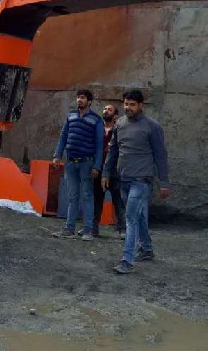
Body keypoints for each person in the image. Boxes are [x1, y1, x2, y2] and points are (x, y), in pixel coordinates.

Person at [104, 89, 170, 274]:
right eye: (126, 104)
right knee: (139, 216)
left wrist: (164, 182)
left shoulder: (152, 127)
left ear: (141, 106)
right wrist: (105, 173)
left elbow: (160, 155)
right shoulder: (120, 124)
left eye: (132, 104)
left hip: (141, 181)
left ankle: (127, 260)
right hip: (123, 179)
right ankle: (147, 249)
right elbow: (113, 151)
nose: (128, 107)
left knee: (130, 217)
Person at [51, 89, 104, 241]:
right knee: (73, 196)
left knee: (87, 195)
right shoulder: (71, 116)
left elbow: (99, 145)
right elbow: (63, 136)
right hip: (70, 162)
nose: (79, 100)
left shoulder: (96, 120)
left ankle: (88, 230)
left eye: (83, 98)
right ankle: (69, 229)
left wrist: (97, 166)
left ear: (89, 101)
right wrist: (57, 155)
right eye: (78, 98)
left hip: (86, 163)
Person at [92, 103, 126, 239]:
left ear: (115, 115)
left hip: (115, 170)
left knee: (118, 201)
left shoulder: (119, 130)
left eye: (109, 109)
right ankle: (93, 228)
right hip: (99, 169)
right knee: (96, 200)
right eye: (105, 109)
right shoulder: (98, 130)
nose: (106, 111)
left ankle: (122, 229)